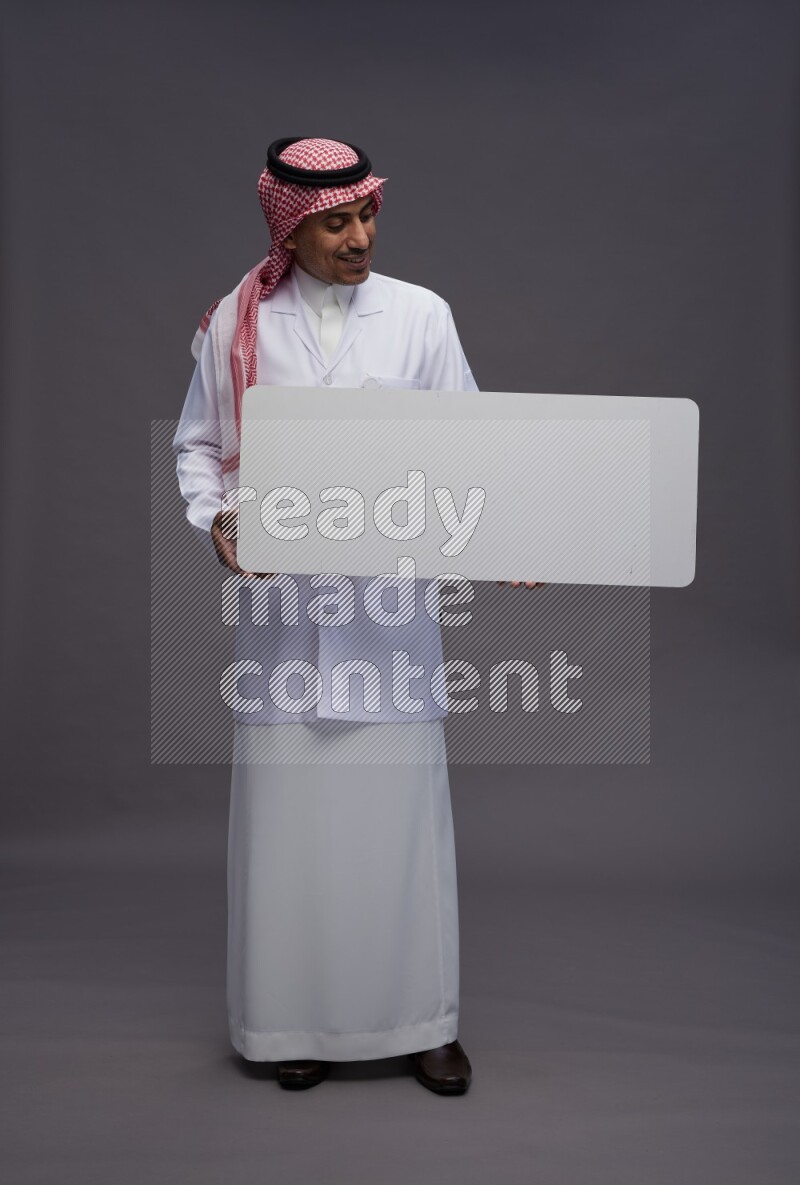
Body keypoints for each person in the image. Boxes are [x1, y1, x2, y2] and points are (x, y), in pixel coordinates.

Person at [173, 137, 540, 1095]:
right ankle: (292, 1023)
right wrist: (213, 513)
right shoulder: (234, 324)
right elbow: (201, 446)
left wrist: (507, 542)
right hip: (287, 617)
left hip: (388, 620)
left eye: (367, 216)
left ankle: (426, 1024)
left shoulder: (421, 316)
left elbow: (470, 447)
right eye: (336, 222)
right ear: (289, 227)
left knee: (402, 827)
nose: (359, 237)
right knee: (291, 833)